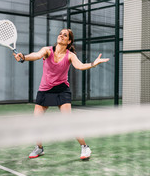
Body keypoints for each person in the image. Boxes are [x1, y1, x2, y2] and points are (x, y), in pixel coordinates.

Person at [13, 28, 109, 160]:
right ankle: (39, 148)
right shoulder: (47, 50)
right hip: (45, 90)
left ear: (69, 41)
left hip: (61, 90)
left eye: (65, 35)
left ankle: (85, 147)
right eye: (60, 34)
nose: (61, 36)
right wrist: (23, 57)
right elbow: (36, 55)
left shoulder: (70, 55)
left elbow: (80, 66)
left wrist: (93, 64)